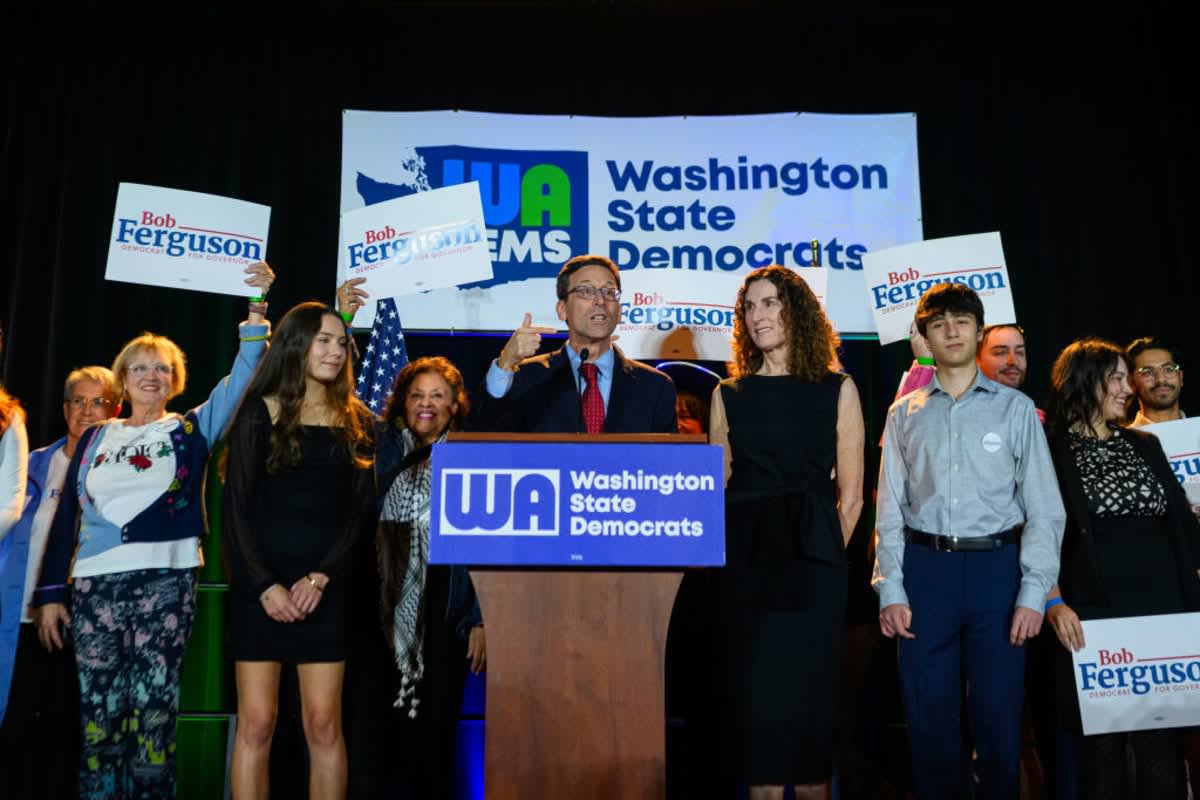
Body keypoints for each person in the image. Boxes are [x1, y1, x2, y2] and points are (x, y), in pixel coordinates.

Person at [31, 261, 274, 798]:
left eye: (160, 368)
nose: (149, 375)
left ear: (174, 379)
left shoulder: (189, 429)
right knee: (100, 717)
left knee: (155, 716)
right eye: (139, 367)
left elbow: (242, 376)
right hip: (95, 588)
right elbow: (66, 519)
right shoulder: (96, 437)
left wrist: (256, 312)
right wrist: (50, 594)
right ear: (123, 378)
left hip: (165, 586)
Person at [872, 282, 1065, 800]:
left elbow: (1045, 510)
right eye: (939, 323)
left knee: (999, 722)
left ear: (979, 332)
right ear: (925, 338)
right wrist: (890, 587)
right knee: (930, 720)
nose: (951, 330)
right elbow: (888, 509)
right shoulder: (902, 414)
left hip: (996, 573)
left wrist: (1033, 592)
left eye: (962, 321)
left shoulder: (1016, 410)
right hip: (925, 570)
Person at [708, 265, 865, 800]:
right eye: (749, 307)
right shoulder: (727, 393)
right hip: (746, 568)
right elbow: (714, 489)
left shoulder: (838, 389)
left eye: (770, 303)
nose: (758, 316)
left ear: (797, 311)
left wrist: (820, 554)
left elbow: (853, 497)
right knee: (759, 714)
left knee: (811, 709)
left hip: (813, 567)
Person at [222, 301, 375, 800]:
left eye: (340, 341)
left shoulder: (357, 420)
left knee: (324, 725)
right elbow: (236, 513)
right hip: (259, 592)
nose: (335, 350)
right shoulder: (256, 411)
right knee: (257, 725)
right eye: (323, 340)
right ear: (296, 346)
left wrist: (320, 578)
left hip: (323, 592)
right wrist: (264, 586)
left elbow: (358, 518)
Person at [1042, 337, 1200, 799]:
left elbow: (1179, 526)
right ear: (1083, 383)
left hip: (1162, 610)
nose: (1127, 388)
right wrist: (1054, 600)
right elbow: (1039, 532)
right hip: (1094, 616)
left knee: (1163, 743)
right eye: (1115, 378)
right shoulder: (1051, 448)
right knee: (1103, 745)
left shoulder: (1145, 443)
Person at [0, 366, 120, 799]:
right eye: (78, 401)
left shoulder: (121, 474)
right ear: (64, 408)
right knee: (13, 731)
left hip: (85, 627)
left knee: (68, 734)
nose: (86, 411)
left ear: (115, 408)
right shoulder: (32, 465)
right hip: (21, 622)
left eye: (98, 402)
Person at [372, 356, 485, 798]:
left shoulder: (471, 458)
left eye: (438, 396)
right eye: (417, 394)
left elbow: (482, 548)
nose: (426, 404)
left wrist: (478, 618)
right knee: (381, 734)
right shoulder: (379, 449)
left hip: (445, 610)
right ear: (402, 402)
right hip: (380, 612)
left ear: (455, 405)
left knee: (436, 733)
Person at [471, 254, 676, 434]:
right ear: (562, 309)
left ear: (619, 310)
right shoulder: (527, 378)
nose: (600, 301)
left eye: (609, 292)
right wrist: (505, 364)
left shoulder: (655, 387)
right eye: (586, 291)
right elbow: (483, 435)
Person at [1125, 336, 1186, 427]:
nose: (1160, 379)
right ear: (1132, 383)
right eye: (1147, 372)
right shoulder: (1122, 440)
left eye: (1168, 369)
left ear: (1180, 377)